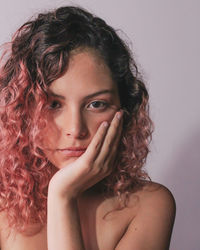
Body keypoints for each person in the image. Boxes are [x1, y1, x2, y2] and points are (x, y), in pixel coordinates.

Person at [0, 5, 176, 250]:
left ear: (124, 110)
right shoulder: (4, 205)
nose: (76, 129)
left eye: (95, 104)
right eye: (52, 104)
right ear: (22, 109)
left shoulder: (148, 204)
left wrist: (62, 196)